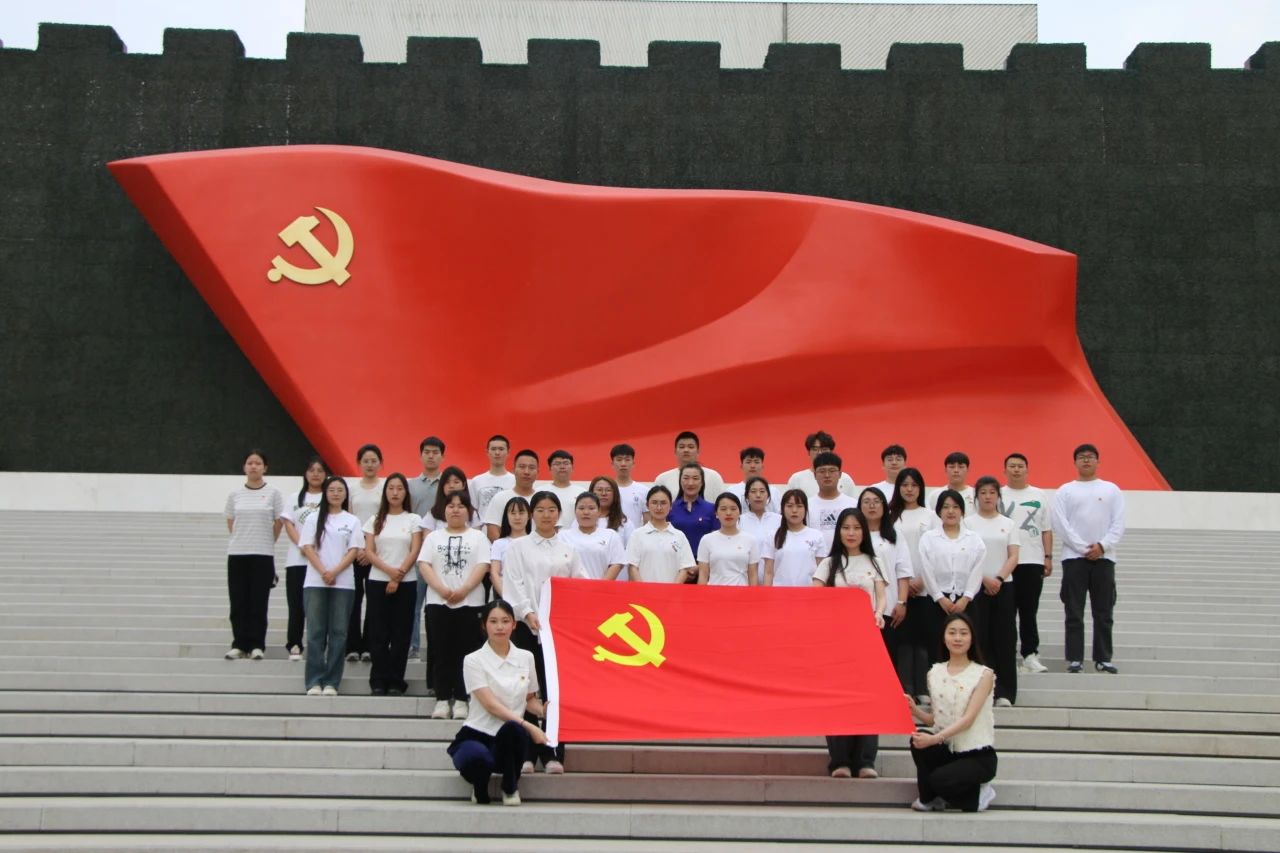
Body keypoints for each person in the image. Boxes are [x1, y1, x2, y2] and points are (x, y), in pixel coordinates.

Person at [502, 492, 587, 772]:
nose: (546, 515)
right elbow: (513, 583)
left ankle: (553, 753)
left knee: (554, 690)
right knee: (526, 688)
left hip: (557, 631)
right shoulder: (518, 547)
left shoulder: (568, 549)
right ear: (531, 514)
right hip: (527, 627)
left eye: (552, 510)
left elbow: (579, 584)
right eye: (540, 509)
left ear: (559, 514)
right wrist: (527, 612)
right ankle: (526, 753)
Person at [448, 599, 545, 806]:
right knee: (477, 757)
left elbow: (529, 699)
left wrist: (545, 712)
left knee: (514, 730)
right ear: (484, 625)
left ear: (514, 625)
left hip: (510, 736)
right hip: (477, 732)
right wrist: (530, 726)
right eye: (493, 621)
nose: (499, 627)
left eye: (505, 621)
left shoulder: (526, 657)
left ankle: (510, 787)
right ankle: (479, 787)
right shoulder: (473, 660)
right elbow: (490, 705)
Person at [814, 507, 886, 779]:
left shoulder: (873, 562)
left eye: (856, 528)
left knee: (869, 698)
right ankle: (840, 761)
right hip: (835, 642)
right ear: (838, 532)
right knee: (837, 699)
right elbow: (816, 598)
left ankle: (866, 760)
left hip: (867, 639)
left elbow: (881, 596)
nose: (851, 533)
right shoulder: (829, 564)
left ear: (864, 532)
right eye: (846, 528)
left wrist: (879, 613)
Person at [905, 613, 998, 812]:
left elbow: (968, 719)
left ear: (971, 638)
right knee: (917, 740)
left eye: (963, 633)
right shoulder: (934, 672)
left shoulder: (984, 674)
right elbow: (936, 719)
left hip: (977, 755)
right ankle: (931, 799)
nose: (957, 638)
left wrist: (934, 739)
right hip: (948, 750)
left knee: (939, 780)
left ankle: (979, 794)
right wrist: (915, 711)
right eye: (952, 633)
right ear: (944, 637)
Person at [1051, 443, 1125, 674]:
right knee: (1074, 610)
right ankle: (1075, 658)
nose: (1086, 460)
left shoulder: (1112, 490)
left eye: (1090, 457)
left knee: (1104, 611)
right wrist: (1083, 548)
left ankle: (1103, 658)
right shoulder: (1065, 491)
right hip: (1074, 558)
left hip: (1104, 559)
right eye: (1082, 457)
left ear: (1098, 461)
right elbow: (1060, 524)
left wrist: (1102, 546)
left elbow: (1118, 523)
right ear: (1075, 462)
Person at [419, 491, 491, 719]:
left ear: (468, 511)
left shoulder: (478, 537)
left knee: (467, 652)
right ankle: (442, 699)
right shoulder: (434, 537)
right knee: (440, 651)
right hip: (437, 602)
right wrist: (441, 589)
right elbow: (424, 564)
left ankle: (461, 698)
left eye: (461, 506)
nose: (456, 510)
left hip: (470, 603)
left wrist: (464, 590)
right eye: (451, 506)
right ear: (444, 510)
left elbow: (483, 565)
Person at [299, 476, 364, 695]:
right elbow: (307, 547)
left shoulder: (352, 520)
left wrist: (334, 572)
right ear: (325, 493)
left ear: (346, 494)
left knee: (339, 632)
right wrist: (323, 572)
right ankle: (314, 681)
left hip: (343, 583)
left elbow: (354, 551)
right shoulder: (313, 518)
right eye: (332, 490)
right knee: (316, 632)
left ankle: (332, 681)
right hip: (315, 582)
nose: (336, 494)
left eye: (340, 490)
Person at [361, 473, 423, 696]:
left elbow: (415, 550)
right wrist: (390, 573)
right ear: (385, 492)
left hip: (407, 582)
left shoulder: (413, 519)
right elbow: (369, 551)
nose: (395, 493)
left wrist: (398, 576)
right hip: (378, 581)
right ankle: (378, 680)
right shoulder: (374, 520)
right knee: (378, 633)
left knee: (401, 633)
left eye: (400, 488)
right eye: (391, 488)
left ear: (406, 493)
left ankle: (396, 680)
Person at [223, 449, 285, 661]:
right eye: (250, 463)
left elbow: (279, 521)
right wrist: (243, 539)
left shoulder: (274, 493)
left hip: (263, 554)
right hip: (237, 554)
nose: (253, 466)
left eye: (258, 463)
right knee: (238, 601)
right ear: (244, 467)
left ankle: (257, 645)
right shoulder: (235, 494)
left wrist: (266, 540)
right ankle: (239, 644)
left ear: (265, 468)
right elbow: (231, 521)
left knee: (259, 601)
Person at [963, 477, 1019, 707]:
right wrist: (984, 578)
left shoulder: (1008, 523)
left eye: (992, 492)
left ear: (998, 496)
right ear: (976, 496)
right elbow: (966, 555)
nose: (988, 496)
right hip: (976, 587)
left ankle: (1005, 692)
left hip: (1004, 586)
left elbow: (1013, 556)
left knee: (1005, 639)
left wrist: (998, 579)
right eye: (983, 492)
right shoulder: (968, 523)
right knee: (980, 638)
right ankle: (982, 692)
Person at [888, 467, 941, 703]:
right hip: (898, 588)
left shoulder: (930, 516)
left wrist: (921, 579)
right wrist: (903, 582)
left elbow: (936, 551)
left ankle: (923, 688)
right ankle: (905, 687)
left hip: (924, 587)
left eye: (914, 485)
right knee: (902, 639)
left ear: (921, 488)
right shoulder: (890, 516)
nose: (909, 489)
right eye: (905, 485)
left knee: (922, 638)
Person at [918, 490, 986, 667]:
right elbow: (926, 570)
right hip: (937, 603)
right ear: (939, 511)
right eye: (946, 507)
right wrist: (940, 597)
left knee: (966, 650)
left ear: (962, 511)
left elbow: (977, 570)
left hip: (966, 603)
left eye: (955, 507)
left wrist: (966, 597)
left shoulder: (974, 539)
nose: (950, 511)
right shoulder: (928, 538)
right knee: (936, 650)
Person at [1001, 453, 1053, 675]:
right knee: (1006, 612)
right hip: (1004, 563)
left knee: (1029, 611)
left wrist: (1047, 557)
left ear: (1027, 469)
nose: (1016, 470)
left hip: (1032, 560)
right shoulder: (998, 494)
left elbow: (1046, 529)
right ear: (1005, 470)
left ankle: (1030, 655)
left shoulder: (1039, 495)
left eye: (1020, 466)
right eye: (1012, 466)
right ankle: (1007, 655)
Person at [411, 465, 469, 664]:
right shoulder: (433, 513)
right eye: (448, 482)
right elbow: (428, 542)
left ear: (464, 485)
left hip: (463, 576)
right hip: (433, 572)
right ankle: (415, 649)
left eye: (456, 482)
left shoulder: (472, 513)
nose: (452, 486)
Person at [281, 456, 327, 661]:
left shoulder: (329, 496)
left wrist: (314, 547)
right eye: (311, 470)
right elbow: (288, 524)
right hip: (297, 561)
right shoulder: (294, 498)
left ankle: (319, 646)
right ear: (305, 474)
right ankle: (294, 644)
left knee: (318, 606)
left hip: (322, 561)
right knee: (296, 604)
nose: (315, 474)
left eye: (320, 470)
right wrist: (303, 544)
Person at [860, 487, 912, 661]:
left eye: (876, 501)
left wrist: (901, 602)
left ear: (884, 506)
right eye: (866, 502)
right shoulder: (854, 534)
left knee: (887, 657)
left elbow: (903, 571)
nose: (872, 506)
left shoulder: (894, 536)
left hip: (888, 607)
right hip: (860, 606)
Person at [346, 443, 384, 663]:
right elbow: (350, 520)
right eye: (365, 461)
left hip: (377, 551)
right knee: (354, 599)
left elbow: (385, 519)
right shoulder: (352, 489)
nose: (370, 465)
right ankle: (352, 646)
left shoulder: (386, 486)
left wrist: (370, 548)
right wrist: (359, 547)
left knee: (375, 600)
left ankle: (370, 646)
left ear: (380, 463)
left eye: (373, 461)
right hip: (355, 551)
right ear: (359, 464)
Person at [626, 485, 697, 583]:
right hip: (643, 591)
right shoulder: (637, 535)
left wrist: (671, 590)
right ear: (647, 505)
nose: (659, 507)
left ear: (670, 506)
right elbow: (632, 567)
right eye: (654, 503)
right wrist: (643, 589)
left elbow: (685, 568)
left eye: (663, 503)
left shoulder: (679, 536)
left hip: (672, 591)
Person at [762, 489, 825, 587]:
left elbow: (821, 573)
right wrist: (767, 594)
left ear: (806, 509)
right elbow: (768, 572)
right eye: (789, 506)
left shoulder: (817, 536)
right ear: (782, 509)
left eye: (799, 506)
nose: (794, 510)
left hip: (808, 593)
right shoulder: (772, 536)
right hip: (780, 593)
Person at [696, 493, 760, 585]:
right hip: (715, 592)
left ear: (740, 513)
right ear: (716, 514)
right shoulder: (707, 540)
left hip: (741, 592)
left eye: (733, 509)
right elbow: (703, 575)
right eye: (723, 509)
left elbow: (753, 575)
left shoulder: (750, 540)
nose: (728, 513)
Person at [561, 493, 627, 580]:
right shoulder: (563, 536)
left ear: (599, 511)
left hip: (601, 586)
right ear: (575, 511)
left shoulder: (611, 535)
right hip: (572, 587)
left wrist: (598, 586)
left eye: (591, 508)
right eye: (581, 508)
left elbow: (617, 563)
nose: (586, 512)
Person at [667, 463, 719, 562]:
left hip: (703, 564)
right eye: (686, 478)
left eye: (695, 478)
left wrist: (700, 567)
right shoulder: (669, 508)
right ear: (680, 481)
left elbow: (716, 541)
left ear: (702, 482)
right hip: (674, 562)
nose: (690, 483)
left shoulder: (712, 509)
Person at [806, 451, 857, 552]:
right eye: (822, 471)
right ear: (815, 475)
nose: (827, 475)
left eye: (832, 470)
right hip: (815, 559)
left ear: (840, 474)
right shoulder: (806, 506)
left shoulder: (853, 505)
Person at [483, 450, 539, 542]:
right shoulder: (500, 498)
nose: (526, 472)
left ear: (538, 472)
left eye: (531, 468)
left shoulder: (542, 500)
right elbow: (492, 531)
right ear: (513, 470)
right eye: (522, 467)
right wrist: (508, 548)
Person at [654, 431, 726, 501]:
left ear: (698, 451)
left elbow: (721, 505)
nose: (686, 450)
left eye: (691, 447)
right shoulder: (662, 479)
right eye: (682, 447)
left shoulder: (713, 477)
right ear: (675, 451)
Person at [787, 430, 857, 498]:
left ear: (831, 452)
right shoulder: (796, 479)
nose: (819, 453)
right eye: (815, 449)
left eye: (824, 449)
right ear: (808, 452)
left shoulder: (845, 479)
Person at [469, 435, 514, 521]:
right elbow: (473, 510)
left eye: (501, 449)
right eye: (493, 449)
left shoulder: (515, 481)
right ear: (487, 452)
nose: (497, 453)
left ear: (508, 452)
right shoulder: (477, 481)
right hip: (483, 529)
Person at [728, 447, 783, 512]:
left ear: (762, 466)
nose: (752, 466)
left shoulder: (774, 491)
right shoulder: (731, 491)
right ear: (741, 466)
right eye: (748, 462)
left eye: (756, 462)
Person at [738, 476, 782, 554]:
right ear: (747, 496)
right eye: (753, 491)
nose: (758, 495)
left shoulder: (779, 520)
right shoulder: (739, 521)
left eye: (762, 491)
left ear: (768, 495)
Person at [609, 443, 649, 531]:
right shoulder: (606, 490)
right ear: (612, 464)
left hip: (634, 537)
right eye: (619, 460)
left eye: (627, 460)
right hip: (609, 537)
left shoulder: (644, 490)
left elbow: (647, 522)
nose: (623, 464)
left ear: (633, 463)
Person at [588, 475, 636, 548]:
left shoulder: (624, 523)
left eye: (608, 490)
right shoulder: (583, 519)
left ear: (615, 494)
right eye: (599, 490)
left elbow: (631, 550)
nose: (604, 493)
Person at [407, 436, 444, 516]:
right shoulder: (410, 485)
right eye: (427, 452)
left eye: (435, 453)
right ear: (421, 456)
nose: (431, 456)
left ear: (442, 457)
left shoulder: (448, 484)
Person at [543, 450, 580, 527]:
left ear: (572, 467)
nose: (562, 467)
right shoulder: (540, 491)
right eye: (557, 464)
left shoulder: (581, 492)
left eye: (566, 463)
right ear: (550, 468)